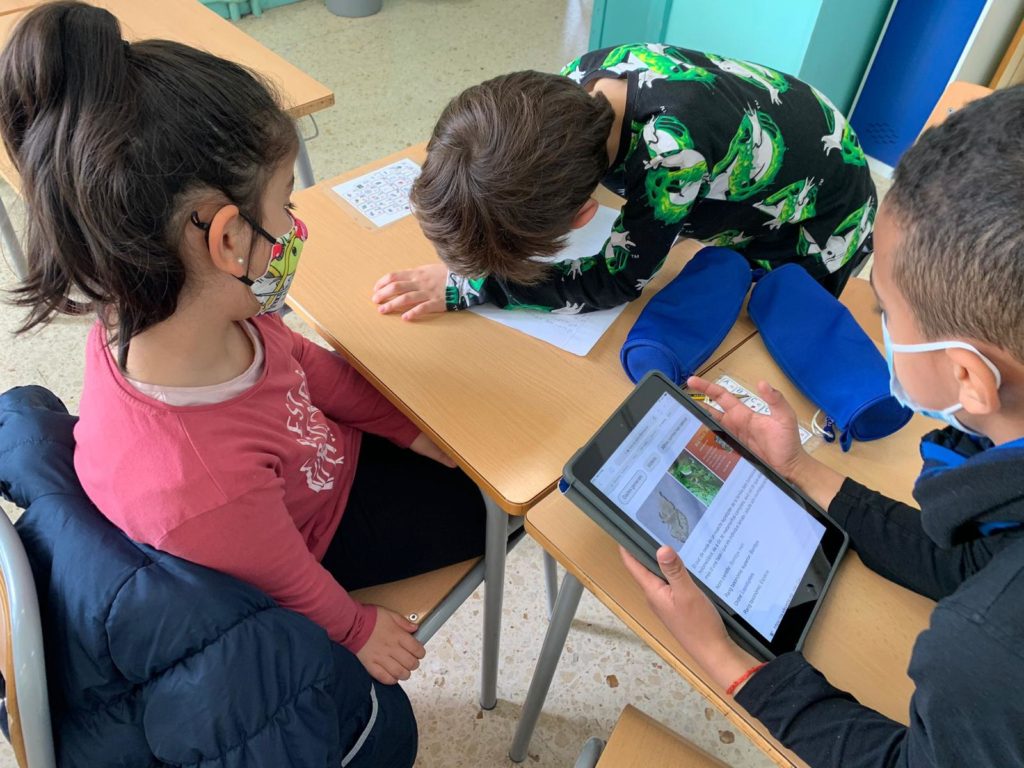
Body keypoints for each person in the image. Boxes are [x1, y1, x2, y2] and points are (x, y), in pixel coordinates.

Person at [0, 1, 485, 697]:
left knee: (467, 441)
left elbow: (303, 368)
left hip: (312, 470)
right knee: (495, 501)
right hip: (316, 536)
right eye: (287, 203)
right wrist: (354, 629)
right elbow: (282, 576)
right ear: (228, 240)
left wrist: (406, 430)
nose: (294, 225)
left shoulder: (179, 307)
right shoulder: (200, 484)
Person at [623, 86, 1024, 767]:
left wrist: (724, 659)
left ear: (967, 376)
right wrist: (799, 470)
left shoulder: (983, 649)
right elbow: (976, 561)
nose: (879, 325)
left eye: (885, 312)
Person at [372, 43, 876, 319]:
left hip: (820, 218)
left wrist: (476, 285)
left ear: (584, 214)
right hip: (765, 148)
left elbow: (614, 280)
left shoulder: (672, 156)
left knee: (768, 321)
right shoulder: (573, 85)